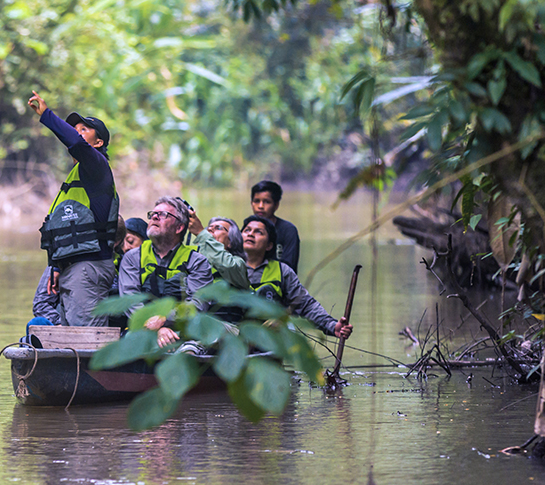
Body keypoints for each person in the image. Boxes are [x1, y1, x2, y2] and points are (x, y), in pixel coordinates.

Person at [28, 91, 120, 327]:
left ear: (98, 142)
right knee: (72, 338)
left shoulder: (98, 167)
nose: (78, 132)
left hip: (89, 267)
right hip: (73, 267)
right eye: (75, 128)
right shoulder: (75, 178)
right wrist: (57, 266)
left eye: (84, 129)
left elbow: (77, 145)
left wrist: (47, 115)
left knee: (87, 340)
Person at [196, 213, 352, 339]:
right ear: (237, 237)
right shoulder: (222, 265)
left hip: (269, 335)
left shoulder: (281, 270)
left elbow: (304, 303)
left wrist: (331, 326)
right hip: (230, 332)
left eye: (259, 232)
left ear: (269, 245)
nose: (251, 234)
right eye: (247, 230)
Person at [118, 196, 213, 348]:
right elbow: (130, 300)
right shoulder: (132, 257)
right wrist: (155, 327)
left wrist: (164, 320)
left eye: (163, 214)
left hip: (183, 331)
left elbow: (198, 305)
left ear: (179, 227)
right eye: (152, 214)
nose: (154, 216)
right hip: (143, 329)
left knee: (193, 344)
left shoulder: (197, 261)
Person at [250, 180, 300, 273]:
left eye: (267, 202)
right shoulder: (247, 230)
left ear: (276, 205)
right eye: (257, 201)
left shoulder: (288, 231)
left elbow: (290, 267)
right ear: (251, 203)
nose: (260, 206)